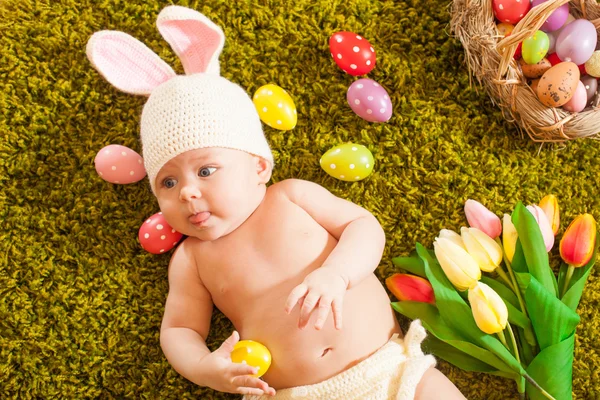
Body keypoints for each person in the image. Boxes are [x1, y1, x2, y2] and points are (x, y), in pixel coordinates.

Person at [86, 5, 466, 399]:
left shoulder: (292, 196)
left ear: (258, 166)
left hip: (390, 369)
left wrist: (337, 274)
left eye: (205, 171)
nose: (187, 192)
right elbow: (180, 330)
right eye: (167, 181)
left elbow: (363, 227)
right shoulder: (193, 259)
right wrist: (204, 368)